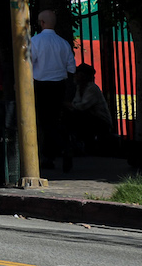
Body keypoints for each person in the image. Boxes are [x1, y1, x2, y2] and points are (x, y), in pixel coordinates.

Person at [29, 9, 76, 172]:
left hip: (41, 85)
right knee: (55, 120)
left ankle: (48, 155)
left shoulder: (35, 41)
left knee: (43, 121)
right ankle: (61, 148)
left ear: (41, 23)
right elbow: (71, 68)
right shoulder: (63, 43)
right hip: (59, 85)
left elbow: (29, 64)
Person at [64, 63, 114, 158]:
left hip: (101, 122)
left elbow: (83, 106)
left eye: (78, 74)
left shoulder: (92, 88)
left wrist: (69, 105)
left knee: (79, 116)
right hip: (91, 118)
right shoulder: (80, 88)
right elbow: (76, 104)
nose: (75, 76)